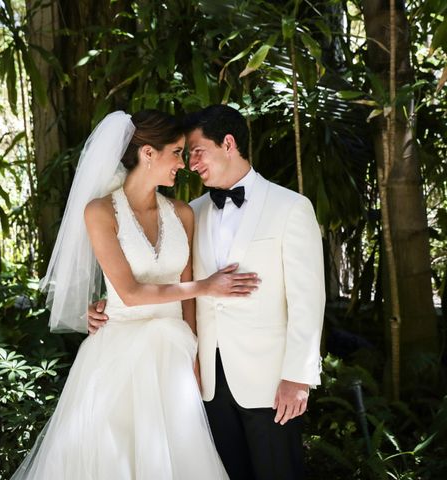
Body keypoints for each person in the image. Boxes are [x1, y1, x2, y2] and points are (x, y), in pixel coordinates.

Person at [12, 110, 260, 479]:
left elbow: (187, 300)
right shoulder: (100, 213)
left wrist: (192, 352)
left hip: (173, 357)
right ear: (147, 153)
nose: (183, 164)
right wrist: (207, 286)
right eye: (176, 153)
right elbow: (128, 292)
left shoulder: (182, 213)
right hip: (120, 357)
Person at [90, 105, 326, 480]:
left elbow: (308, 301)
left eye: (197, 151)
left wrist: (298, 377)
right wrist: (111, 304)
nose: (190, 164)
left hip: (268, 381)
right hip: (204, 382)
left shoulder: (291, 208)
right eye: (184, 153)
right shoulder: (190, 212)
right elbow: (163, 278)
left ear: (228, 143)